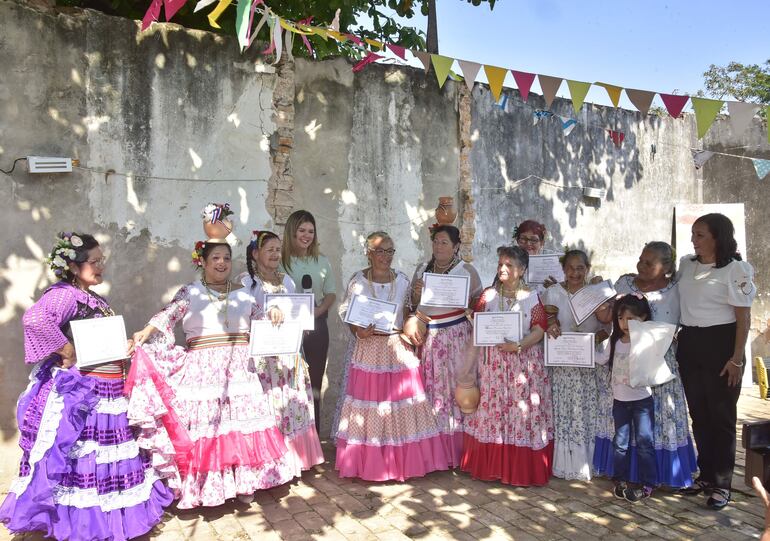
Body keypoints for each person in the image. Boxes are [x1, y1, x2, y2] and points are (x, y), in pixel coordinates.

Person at [0, 232, 173, 541]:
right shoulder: (66, 294)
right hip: (87, 392)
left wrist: (126, 344)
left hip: (107, 391)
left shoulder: (93, 299)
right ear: (73, 265)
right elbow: (35, 320)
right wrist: (66, 351)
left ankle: (105, 521)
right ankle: (81, 524)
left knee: (102, 460)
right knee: (86, 459)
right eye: (94, 261)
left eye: (100, 260)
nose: (100, 266)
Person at [130, 209, 293, 508]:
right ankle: (206, 488)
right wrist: (146, 330)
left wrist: (273, 312)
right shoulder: (190, 292)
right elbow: (169, 314)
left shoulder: (245, 294)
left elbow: (260, 318)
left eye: (226, 258)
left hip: (240, 367)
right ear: (202, 262)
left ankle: (245, 483)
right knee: (211, 428)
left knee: (241, 425)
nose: (221, 263)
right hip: (204, 370)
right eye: (215, 258)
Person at [334, 232, 449, 481]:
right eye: (379, 251)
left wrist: (417, 302)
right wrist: (358, 330)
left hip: (397, 347)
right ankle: (372, 463)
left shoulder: (404, 281)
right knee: (372, 406)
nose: (385, 256)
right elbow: (347, 312)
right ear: (369, 253)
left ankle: (404, 462)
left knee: (402, 404)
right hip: (369, 349)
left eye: (390, 251)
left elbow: (410, 311)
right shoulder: (358, 281)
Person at [595, 242, 697, 488]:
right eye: (640, 259)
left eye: (649, 262)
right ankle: (622, 472)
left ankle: (658, 475)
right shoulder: (624, 284)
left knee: (658, 423)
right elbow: (606, 317)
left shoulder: (677, 289)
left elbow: (688, 320)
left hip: (659, 364)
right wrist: (597, 295)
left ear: (667, 267)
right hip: (623, 364)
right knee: (621, 424)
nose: (641, 265)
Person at [676, 213, 756, 509]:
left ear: (717, 238)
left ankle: (723, 484)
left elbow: (743, 318)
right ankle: (705, 473)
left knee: (721, 417)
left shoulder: (736, 270)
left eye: (700, 235)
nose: (694, 240)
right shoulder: (686, 264)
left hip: (722, 346)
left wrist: (736, 359)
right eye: (693, 234)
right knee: (699, 413)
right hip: (690, 343)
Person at [460, 245, 553, 485]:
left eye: (509, 265)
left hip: (522, 365)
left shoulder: (531, 296)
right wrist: (472, 317)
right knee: (495, 412)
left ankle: (519, 470)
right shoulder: (489, 295)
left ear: (521, 270)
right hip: (494, 366)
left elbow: (539, 328)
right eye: (500, 263)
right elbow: (478, 324)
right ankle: (494, 468)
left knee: (519, 414)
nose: (502, 268)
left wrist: (520, 345)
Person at [242, 230, 325, 474]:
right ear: (255, 254)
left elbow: (295, 310)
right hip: (264, 360)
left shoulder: (287, 280)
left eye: (278, 250)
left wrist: (302, 325)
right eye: (270, 250)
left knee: (292, 405)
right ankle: (271, 462)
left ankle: (295, 459)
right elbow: (245, 316)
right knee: (270, 407)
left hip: (289, 356)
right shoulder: (247, 283)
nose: (276, 254)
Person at [403, 224, 482, 465]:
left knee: (457, 390)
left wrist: (471, 307)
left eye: (444, 242)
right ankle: (436, 452)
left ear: (456, 245)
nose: (439, 246)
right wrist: (416, 296)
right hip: (431, 339)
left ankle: (462, 451)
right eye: (436, 241)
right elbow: (411, 306)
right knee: (434, 391)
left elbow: (480, 303)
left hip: (457, 337)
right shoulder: (422, 270)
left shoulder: (466, 271)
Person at [542, 249, 602, 480]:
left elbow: (607, 326)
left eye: (580, 268)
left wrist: (596, 338)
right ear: (563, 269)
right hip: (563, 363)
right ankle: (564, 462)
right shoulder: (553, 293)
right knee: (564, 410)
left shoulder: (596, 293)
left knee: (586, 409)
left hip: (589, 363)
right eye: (570, 268)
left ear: (587, 269)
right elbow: (546, 321)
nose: (575, 273)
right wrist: (551, 327)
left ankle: (586, 460)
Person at [596, 294, 658, 503]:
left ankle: (648, 483)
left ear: (643, 318)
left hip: (642, 401)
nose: (625, 324)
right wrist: (579, 347)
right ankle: (619, 480)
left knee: (644, 442)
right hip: (620, 401)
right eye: (621, 318)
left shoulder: (647, 341)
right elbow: (601, 358)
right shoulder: (615, 341)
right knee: (620, 442)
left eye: (631, 319)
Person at [281, 210, 336, 434]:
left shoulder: (322, 261)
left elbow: (330, 293)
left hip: (317, 325)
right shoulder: (280, 260)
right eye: (301, 230)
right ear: (291, 232)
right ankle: (289, 433)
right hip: (287, 329)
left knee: (313, 382)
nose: (306, 235)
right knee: (289, 382)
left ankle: (313, 437)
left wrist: (318, 311)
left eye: (311, 231)